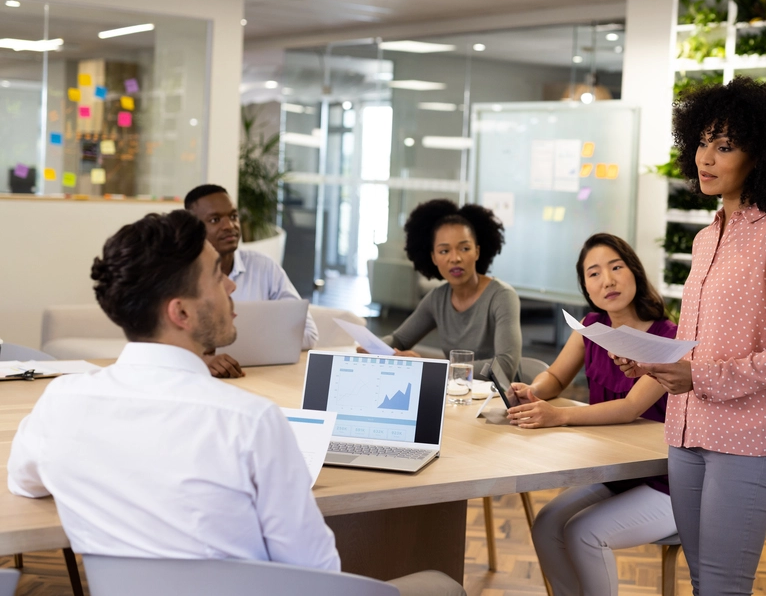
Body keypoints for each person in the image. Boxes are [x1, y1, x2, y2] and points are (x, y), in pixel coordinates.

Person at [6, 210, 464, 596]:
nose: (231, 288)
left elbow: (25, 483)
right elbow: (317, 575)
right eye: (217, 276)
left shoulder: (62, 402)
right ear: (180, 313)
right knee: (443, 586)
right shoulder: (248, 422)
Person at [615, 76, 766, 596]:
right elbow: (699, 343)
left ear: (764, 156)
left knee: (724, 586)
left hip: (747, 440)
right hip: (686, 432)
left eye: (725, 146)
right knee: (703, 579)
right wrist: (653, 363)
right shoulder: (707, 237)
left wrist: (699, 375)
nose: (706, 158)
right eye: (702, 142)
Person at [504, 233, 677, 596]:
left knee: (583, 534)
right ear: (585, 285)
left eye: (616, 267)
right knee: (547, 523)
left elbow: (631, 407)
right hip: (616, 471)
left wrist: (559, 417)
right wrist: (533, 391)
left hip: (666, 481)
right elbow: (554, 376)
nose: (608, 280)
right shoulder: (592, 329)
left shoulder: (667, 338)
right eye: (594, 273)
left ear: (635, 271)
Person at [185, 184, 318, 378]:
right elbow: (163, 344)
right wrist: (203, 359)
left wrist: (233, 346)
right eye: (215, 220)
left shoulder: (264, 268)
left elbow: (308, 334)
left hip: (260, 376)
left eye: (233, 216)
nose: (230, 226)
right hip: (200, 378)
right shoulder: (179, 274)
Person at [380, 199, 521, 378]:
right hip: (457, 394)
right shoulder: (437, 298)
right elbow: (399, 339)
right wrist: (375, 349)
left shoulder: (502, 296)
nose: (455, 258)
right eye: (444, 251)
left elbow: (505, 366)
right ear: (433, 258)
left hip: (499, 399)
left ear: (477, 252)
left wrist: (437, 368)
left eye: (464, 248)